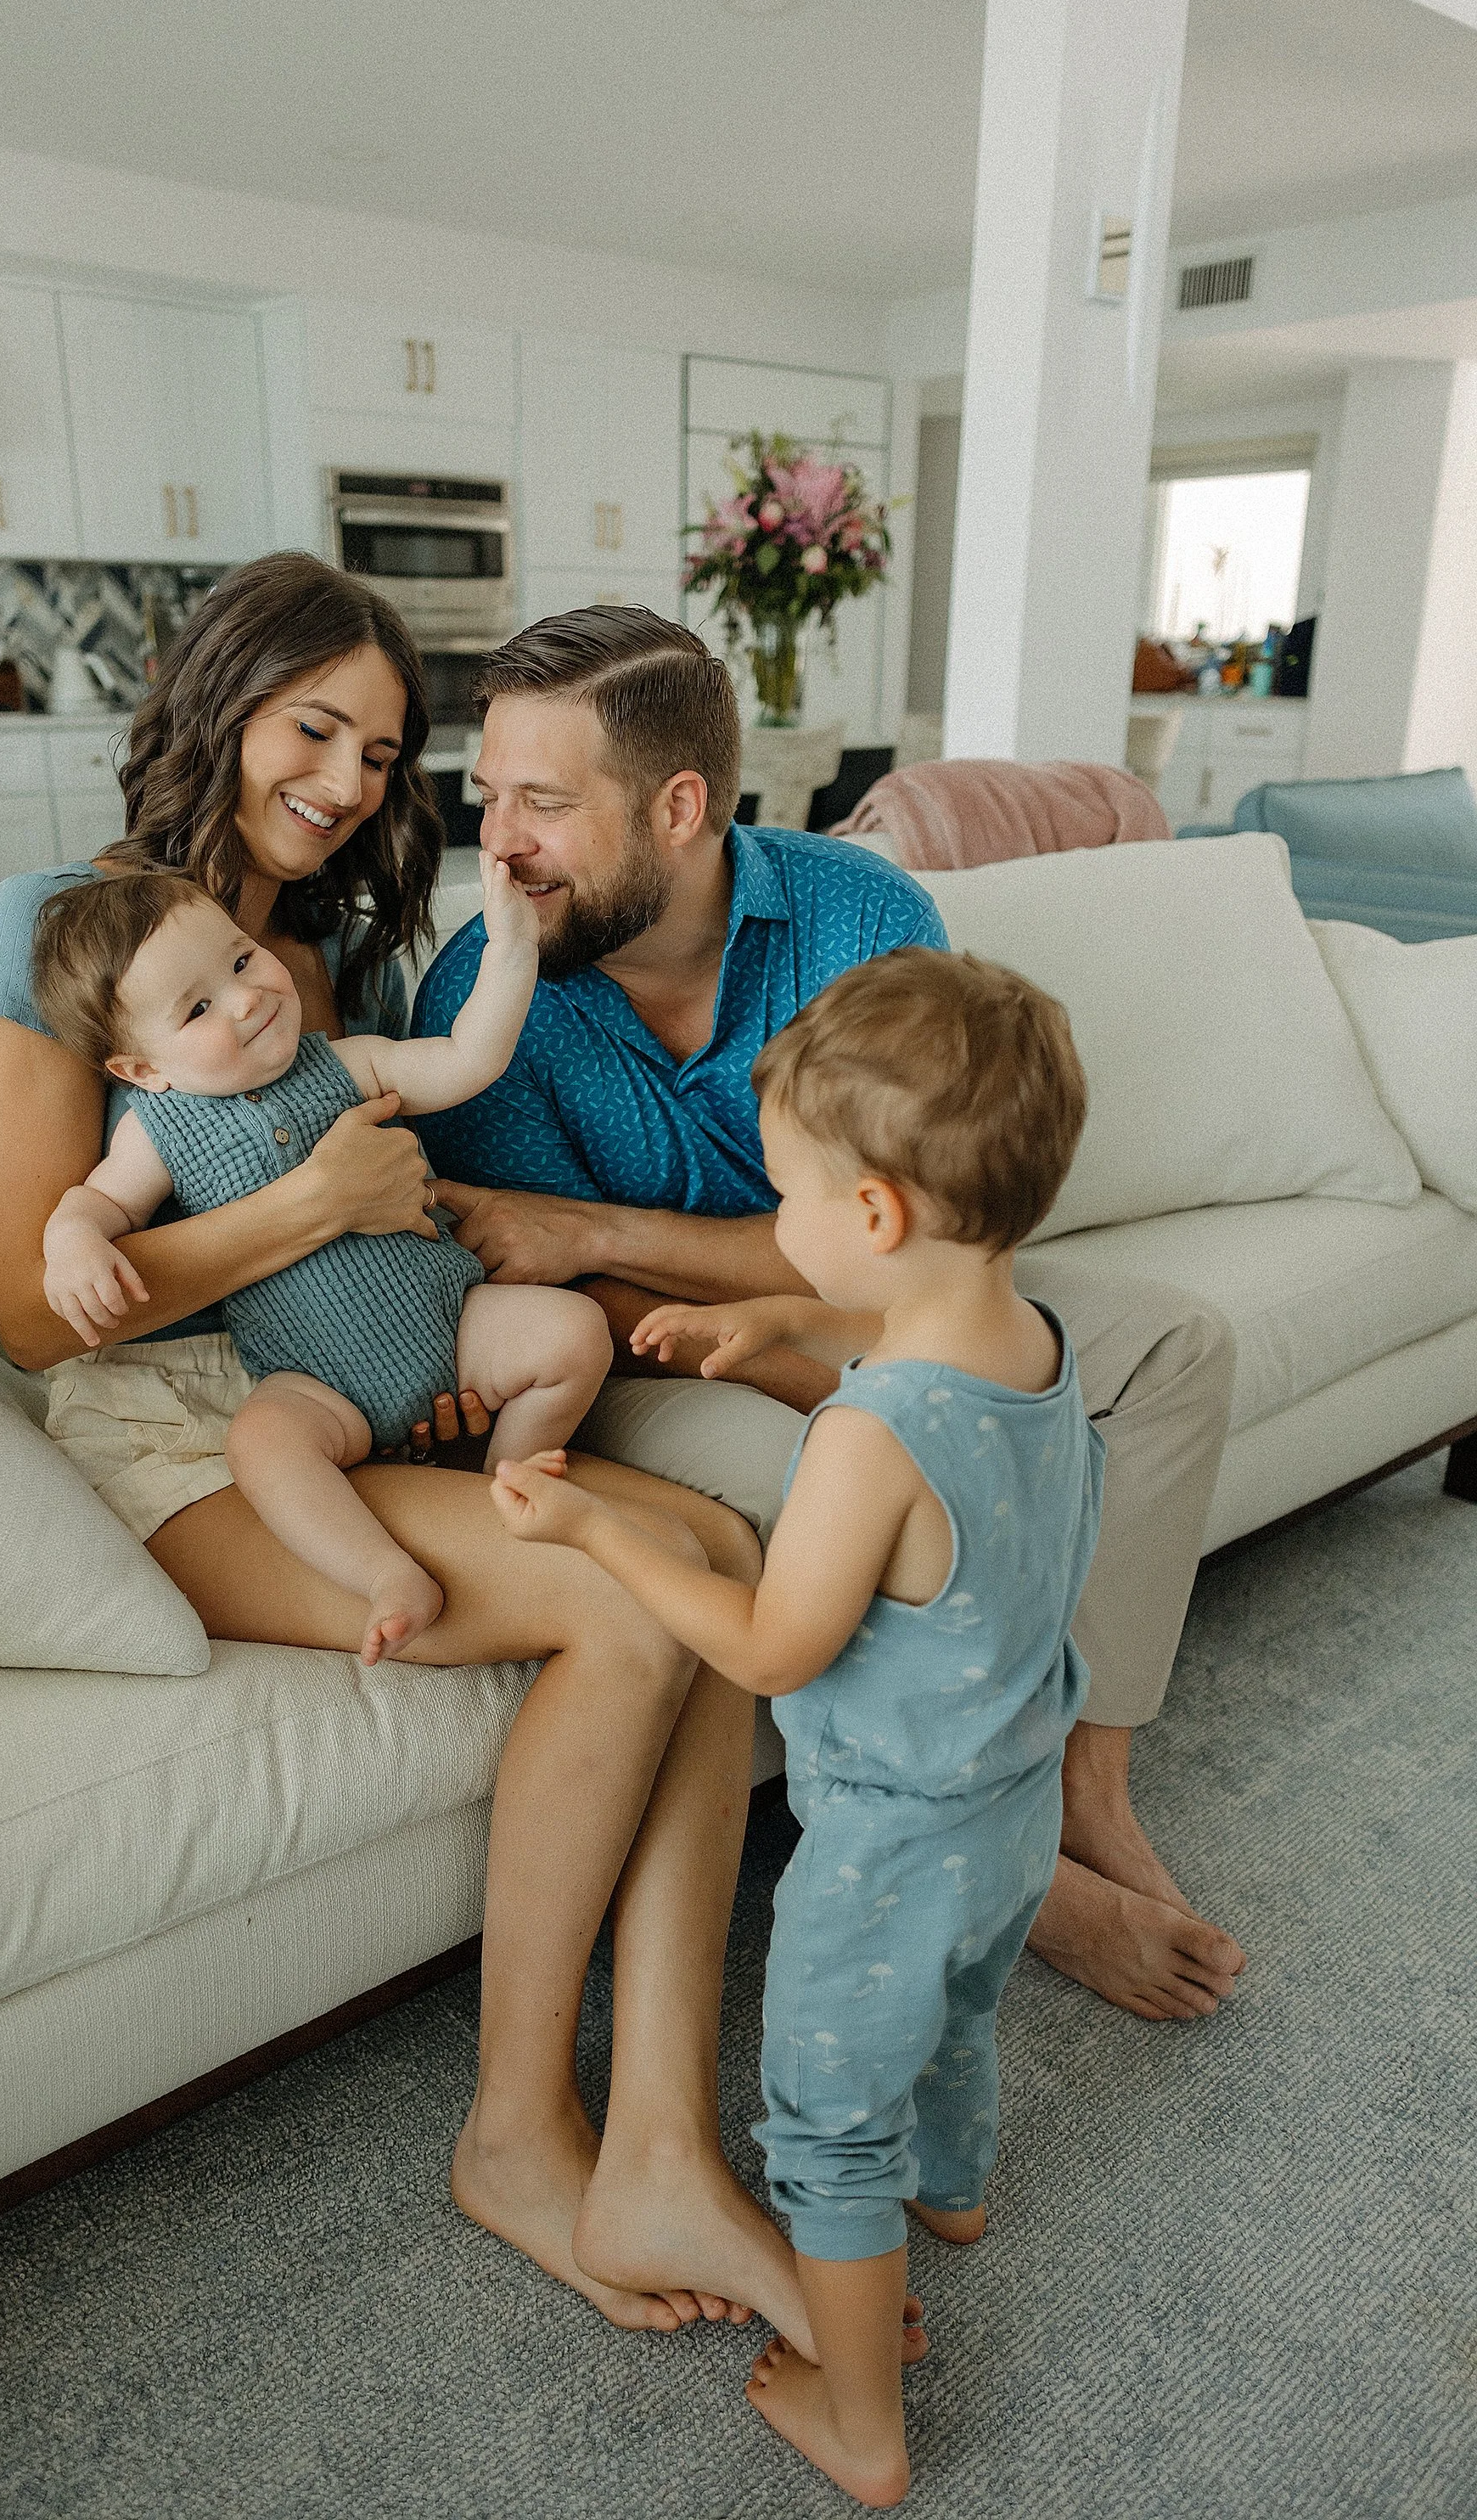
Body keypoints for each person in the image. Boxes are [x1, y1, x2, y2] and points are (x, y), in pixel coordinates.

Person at [0, 554, 845, 2349]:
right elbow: (43, 1312)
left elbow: (413, 1191)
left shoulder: (340, 957)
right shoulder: (62, 934)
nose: (351, 783)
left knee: (715, 1559)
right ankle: (519, 2133)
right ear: (219, 703)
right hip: (187, 1441)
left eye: (377, 750)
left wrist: (421, 1308)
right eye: (314, 729)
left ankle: (662, 2132)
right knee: (633, 1604)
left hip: (357, 1396)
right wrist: (303, 1210)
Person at [413, 604, 1248, 2026]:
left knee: (1176, 1349)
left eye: (544, 802)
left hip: (893, 1295)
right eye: (489, 795)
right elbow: (561, 1289)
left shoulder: (863, 917)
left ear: (678, 808)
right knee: (835, 1478)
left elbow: (919, 1218)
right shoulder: (484, 1001)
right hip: (668, 1352)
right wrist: (748, 1312)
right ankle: (1003, 1874)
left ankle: (1079, 1795)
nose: (499, 842)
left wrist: (618, 1228)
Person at [492, 944, 1104, 2508]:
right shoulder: (1028, 1346)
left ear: (877, 1217)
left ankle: (862, 2423)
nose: (782, 1225)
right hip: (1010, 1807)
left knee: (829, 2128)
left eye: (789, 1202)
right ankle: (953, 2194)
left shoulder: (867, 1441)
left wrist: (604, 1543)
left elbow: (768, 1649)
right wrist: (773, 1317)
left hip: (889, 1848)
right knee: (959, 2015)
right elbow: (894, 1331)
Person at [30, 858, 611, 1662]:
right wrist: (71, 1240)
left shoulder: (347, 1061)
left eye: (240, 959)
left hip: (452, 1324)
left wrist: (513, 948)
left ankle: (504, 1480)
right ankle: (385, 1575)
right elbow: (100, 1204)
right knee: (262, 1446)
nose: (246, 997)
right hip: (315, 1383)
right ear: (143, 1070)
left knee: (575, 1331)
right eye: (198, 1007)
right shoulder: (158, 1130)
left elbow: (469, 1058)